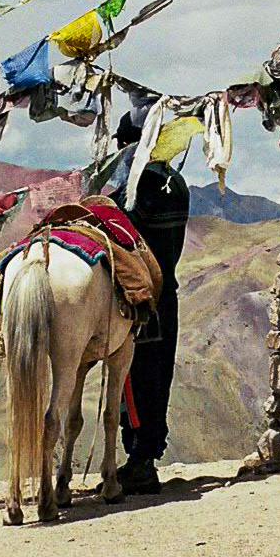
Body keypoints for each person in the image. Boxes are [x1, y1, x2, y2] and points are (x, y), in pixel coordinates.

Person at [96, 108, 190, 495]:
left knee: (134, 379)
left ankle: (139, 461)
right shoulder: (176, 183)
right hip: (166, 293)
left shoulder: (138, 186)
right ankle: (145, 457)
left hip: (138, 299)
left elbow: (116, 221)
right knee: (158, 378)